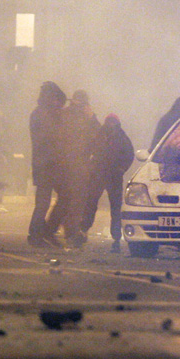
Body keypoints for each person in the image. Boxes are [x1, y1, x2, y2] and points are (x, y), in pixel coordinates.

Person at [43, 89, 99, 248]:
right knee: (71, 198)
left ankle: (62, 231)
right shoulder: (67, 115)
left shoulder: (82, 116)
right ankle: (61, 231)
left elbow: (99, 136)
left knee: (72, 199)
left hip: (78, 163)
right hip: (67, 163)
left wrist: (92, 118)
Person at [82, 114, 134, 253]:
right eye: (109, 121)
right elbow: (87, 150)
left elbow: (129, 155)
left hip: (113, 177)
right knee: (91, 203)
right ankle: (83, 230)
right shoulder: (101, 136)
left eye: (113, 121)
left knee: (115, 208)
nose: (110, 124)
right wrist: (89, 166)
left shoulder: (120, 137)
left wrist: (121, 169)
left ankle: (116, 237)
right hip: (99, 175)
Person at [28, 81, 69, 248]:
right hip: (45, 164)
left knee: (65, 196)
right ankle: (37, 234)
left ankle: (45, 231)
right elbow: (47, 138)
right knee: (43, 202)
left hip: (53, 164)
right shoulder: (40, 114)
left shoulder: (48, 113)